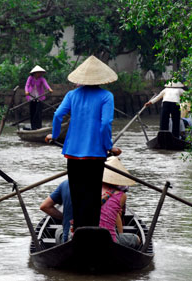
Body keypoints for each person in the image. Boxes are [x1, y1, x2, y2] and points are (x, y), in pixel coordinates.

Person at [45, 55, 120, 232]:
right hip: (95, 154)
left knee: (77, 194)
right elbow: (105, 124)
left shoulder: (72, 95)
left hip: (72, 152)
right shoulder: (106, 96)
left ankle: (77, 230)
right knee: (93, 196)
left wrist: (54, 136)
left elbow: (57, 116)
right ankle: (91, 232)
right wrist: (109, 147)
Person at [99, 157, 140, 249]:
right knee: (137, 239)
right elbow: (117, 214)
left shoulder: (92, 188)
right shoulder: (122, 196)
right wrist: (120, 234)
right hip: (111, 239)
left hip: (89, 236)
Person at [24, 65, 53, 130]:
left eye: (40, 72)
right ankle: (33, 127)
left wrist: (49, 89)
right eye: (38, 72)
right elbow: (27, 85)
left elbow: (46, 84)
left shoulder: (42, 79)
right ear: (34, 73)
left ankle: (39, 126)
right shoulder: (30, 78)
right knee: (33, 112)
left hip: (39, 96)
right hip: (31, 96)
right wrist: (26, 91)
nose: (40, 74)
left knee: (38, 112)